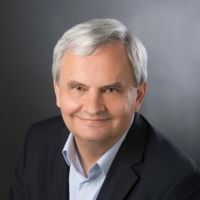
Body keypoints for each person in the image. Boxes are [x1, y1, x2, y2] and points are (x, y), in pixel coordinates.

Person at [9, 18, 200, 200]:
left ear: (138, 95)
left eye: (110, 90)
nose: (93, 108)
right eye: (78, 88)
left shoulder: (177, 183)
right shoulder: (38, 141)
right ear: (58, 92)